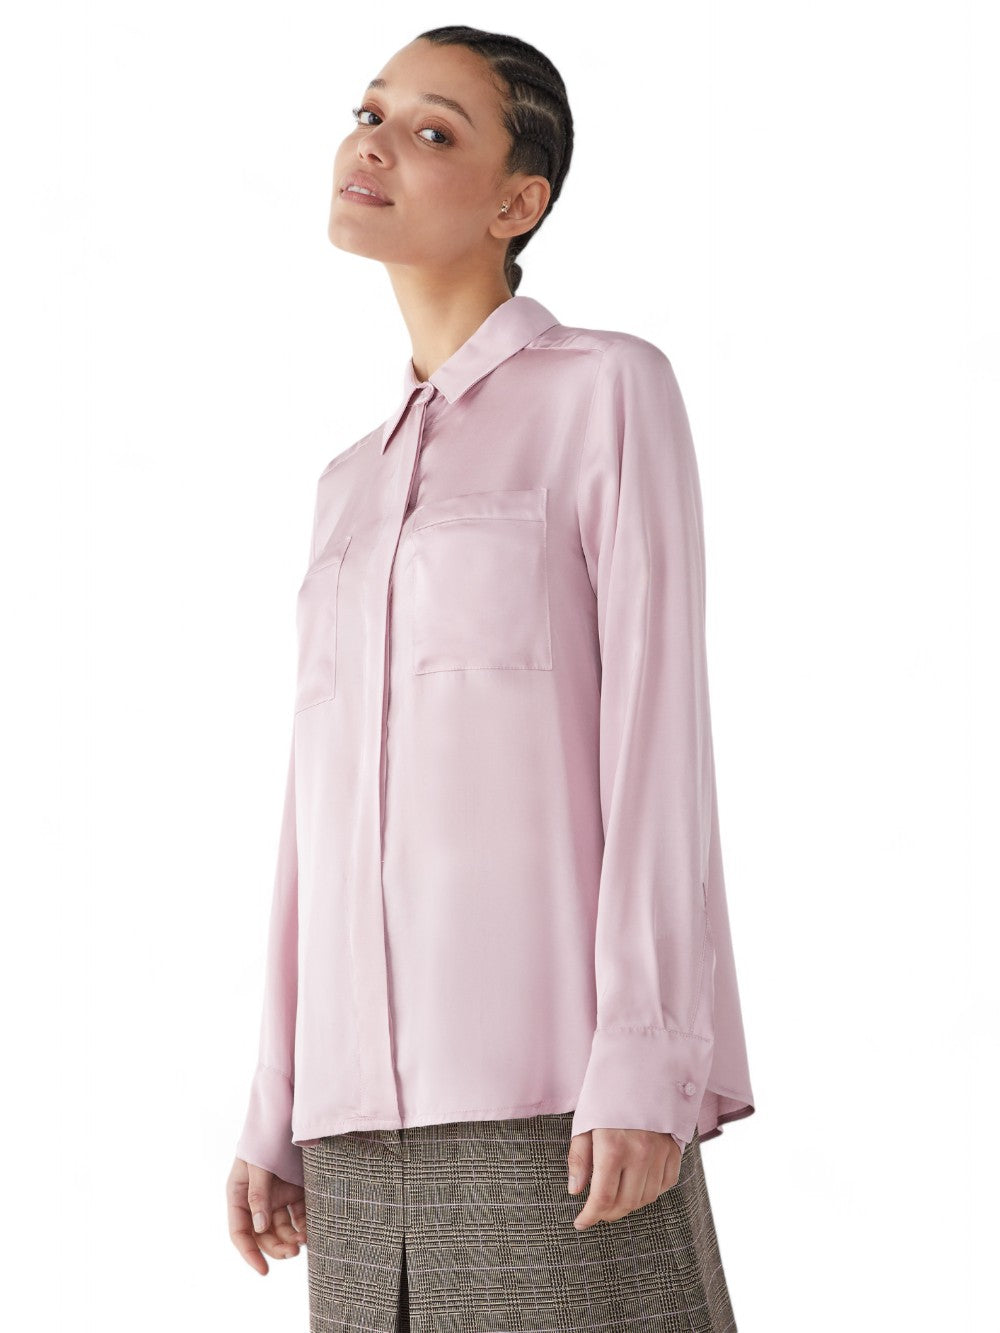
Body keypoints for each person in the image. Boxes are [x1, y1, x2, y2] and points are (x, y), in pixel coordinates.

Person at [226, 24, 756, 1331]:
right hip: (351, 1136)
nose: (372, 143)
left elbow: (657, 737)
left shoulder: (607, 392)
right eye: (369, 112)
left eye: (432, 130)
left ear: (520, 203)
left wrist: (645, 1058)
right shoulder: (345, 487)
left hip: (557, 1104)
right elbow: (314, 811)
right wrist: (276, 1099)